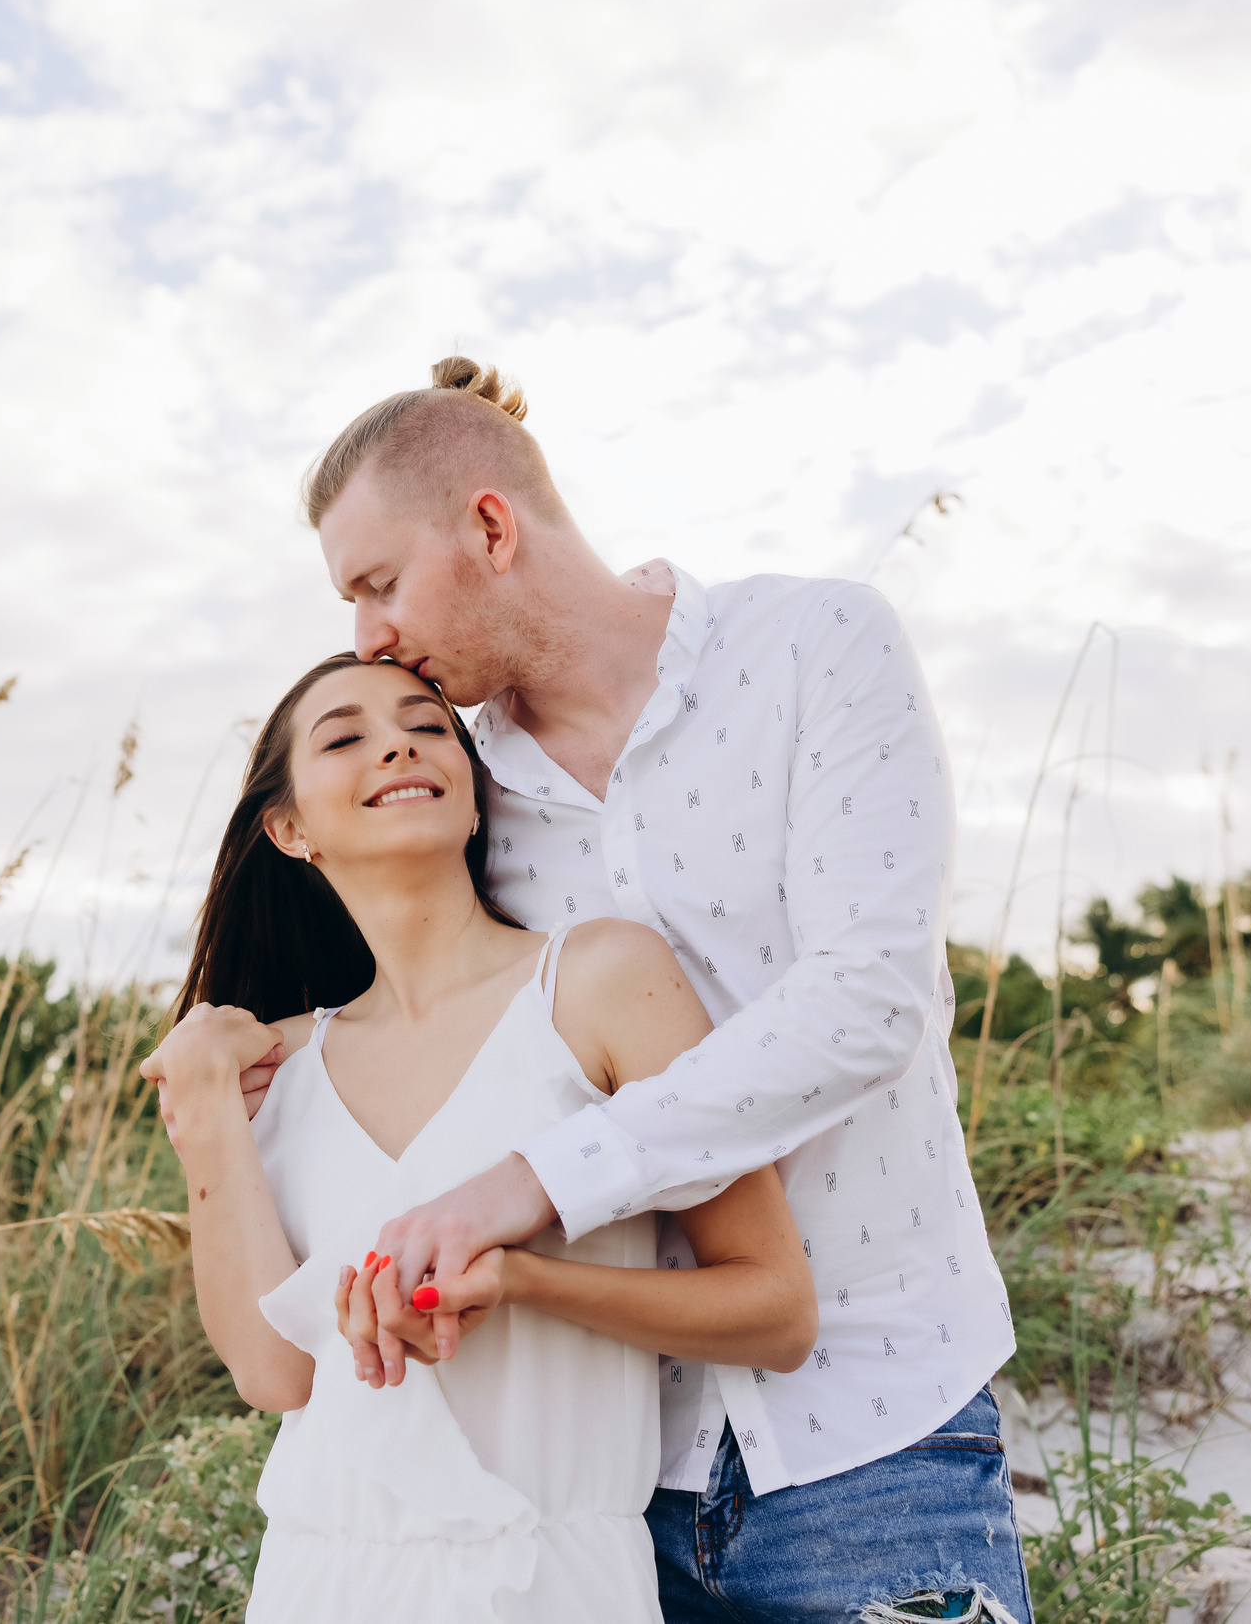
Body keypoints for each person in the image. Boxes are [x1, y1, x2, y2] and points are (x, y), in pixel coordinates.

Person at [266, 358, 1033, 1623]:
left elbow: (868, 998)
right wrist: (262, 1042)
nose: (367, 637)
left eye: (378, 583)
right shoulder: (464, 794)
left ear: (491, 527)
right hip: (607, 1487)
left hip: (878, 1423)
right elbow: (437, 994)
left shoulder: (814, 644)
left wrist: (533, 1182)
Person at [140, 650, 817, 1622]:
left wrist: (526, 1278)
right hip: (320, 1578)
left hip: (555, 1577)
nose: (397, 744)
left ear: (470, 799)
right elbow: (275, 1370)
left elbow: (776, 1311)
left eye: (425, 725)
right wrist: (204, 1109)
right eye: (345, 736)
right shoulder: (269, 1066)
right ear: (287, 829)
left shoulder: (596, 983)